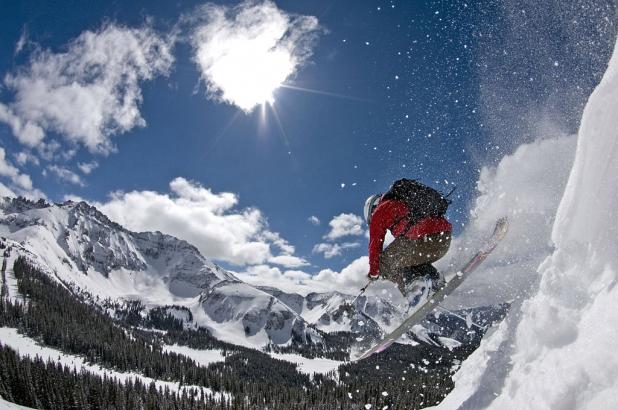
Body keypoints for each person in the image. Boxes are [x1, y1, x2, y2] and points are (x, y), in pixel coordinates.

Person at [364, 179, 452, 305]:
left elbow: (375, 246)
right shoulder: (403, 200)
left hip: (423, 241)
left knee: (383, 264)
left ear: (372, 209)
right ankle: (435, 279)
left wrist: (374, 273)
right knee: (407, 261)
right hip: (444, 240)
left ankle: (415, 292)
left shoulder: (380, 211)